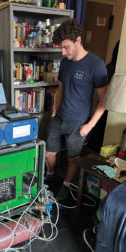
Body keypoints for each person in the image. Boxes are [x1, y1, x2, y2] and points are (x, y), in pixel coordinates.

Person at [45, 18, 108, 201]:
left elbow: (104, 101)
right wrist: (55, 109)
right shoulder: (65, 63)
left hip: (78, 121)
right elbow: (61, 88)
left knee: (73, 158)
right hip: (59, 117)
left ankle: (66, 184)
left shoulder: (96, 65)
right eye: (61, 48)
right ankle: (50, 175)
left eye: (66, 47)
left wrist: (89, 126)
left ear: (78, 40)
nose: (63, 52)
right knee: (50, 153)